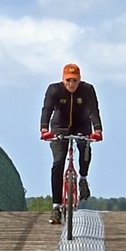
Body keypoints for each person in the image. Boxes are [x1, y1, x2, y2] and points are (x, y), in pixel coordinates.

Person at [39, 61, 102, 223]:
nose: (71, 84)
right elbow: (47, 109)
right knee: (58, 161)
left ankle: (83, 178)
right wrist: (44, 129)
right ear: (63, 79)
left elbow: (93, 109)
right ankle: (56, 206)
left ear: (80, 79)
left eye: (74, 80)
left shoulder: (87, 90)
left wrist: (98, 129)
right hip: (59, 127)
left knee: (84, 146)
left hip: (81, 124)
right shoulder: (54, 90)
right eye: (68, 80)